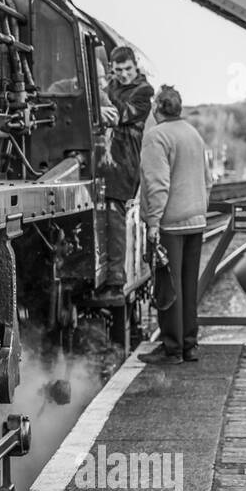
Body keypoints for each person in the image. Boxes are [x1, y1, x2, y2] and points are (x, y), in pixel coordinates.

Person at [138, 85, 212, 365]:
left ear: (157, 108)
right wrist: (199, 209)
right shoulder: (193, 134)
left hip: (170, 224)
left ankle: (172, 348)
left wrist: (153, 223)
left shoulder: (156, 137)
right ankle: (189, 345)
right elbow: (208, 179)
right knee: (188, 285)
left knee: (168, 286)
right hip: (196, 221)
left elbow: (158, 185)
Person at [95, 45, 154, 302]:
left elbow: (121, 115)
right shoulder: (112, 86)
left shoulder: (144, 92)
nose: (124, 75)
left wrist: (100, 93)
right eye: (118, 70)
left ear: (135, 66)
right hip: (106, 161)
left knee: (115, 217)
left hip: (125, 163)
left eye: (127, 69)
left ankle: (116, 280)